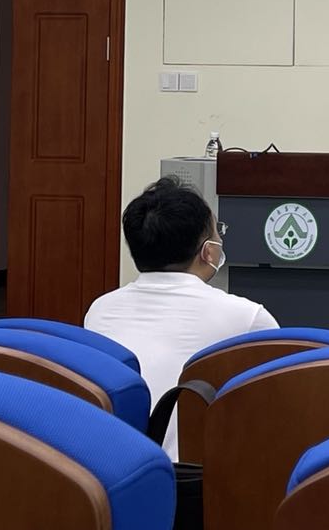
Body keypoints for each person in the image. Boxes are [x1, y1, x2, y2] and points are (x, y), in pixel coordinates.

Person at [85, 176, 277, 459]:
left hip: (112, 468)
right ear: (207, 250)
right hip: (195, 475)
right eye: (218, 231)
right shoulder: (248, 317)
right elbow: (278, 401)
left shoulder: (100, 310)